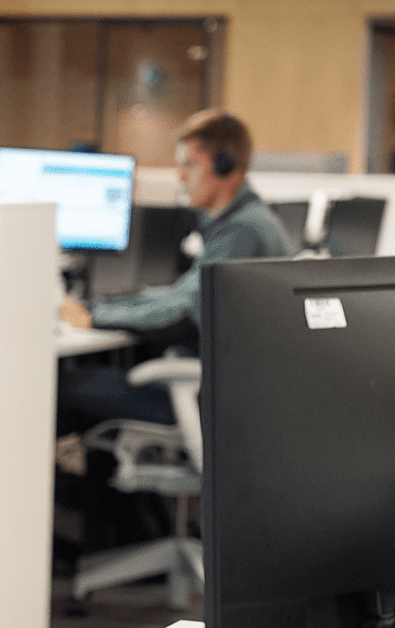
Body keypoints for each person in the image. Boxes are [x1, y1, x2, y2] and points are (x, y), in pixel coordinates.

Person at [51, 110, 294, 564]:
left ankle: (58, 552)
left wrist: (95, 314)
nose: (180, 175)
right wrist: (107, 309)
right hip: (225, 392)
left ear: (226, 167)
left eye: (190, 164)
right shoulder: (242, 224)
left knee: (63, 390)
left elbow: (180, 307)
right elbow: (180, 296)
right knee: (92, 380)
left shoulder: (242, 232)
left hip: (206, 397)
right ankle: (109, 544)